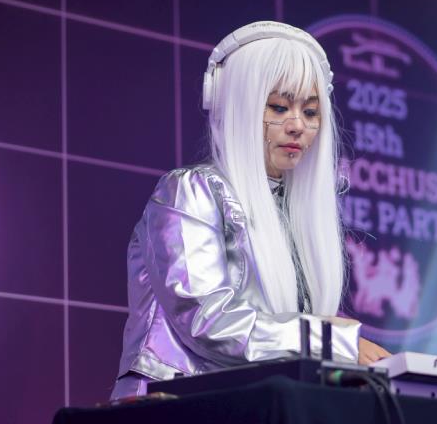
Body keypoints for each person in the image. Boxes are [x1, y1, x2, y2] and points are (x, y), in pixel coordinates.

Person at [110, 21, 391, 400]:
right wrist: (331, 342)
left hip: (252, 405)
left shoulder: (294, 213)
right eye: (279, 107)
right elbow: (207, 320)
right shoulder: (189, 191)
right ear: (239, 107)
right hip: (170, 409)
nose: (297, 126)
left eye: (310, 112)